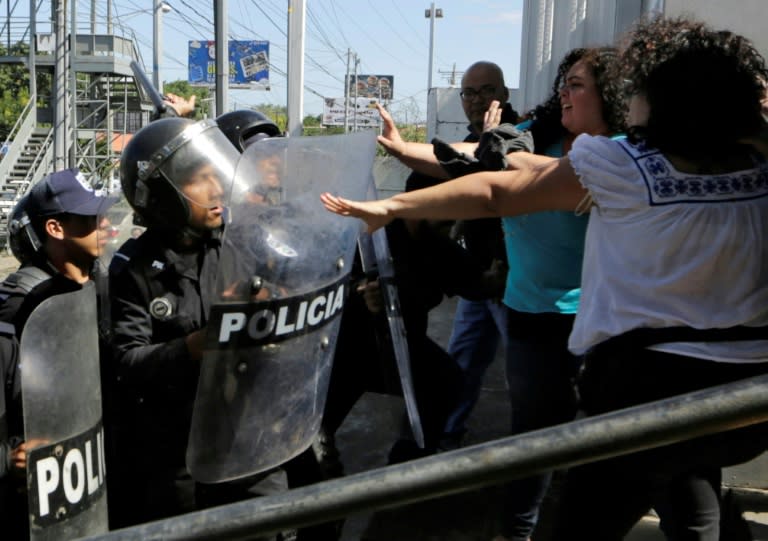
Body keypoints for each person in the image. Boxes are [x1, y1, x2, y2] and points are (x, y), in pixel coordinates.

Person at [322, 15, 768, 540]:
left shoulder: (626, 165)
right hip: (744, 405)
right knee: (692, 502)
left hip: (648, 393)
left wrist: (391, 206)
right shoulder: (756, 165)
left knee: (582, 520)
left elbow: (496, 189)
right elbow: (509, 166)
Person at [107, 117, 289, 535]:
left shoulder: (239, 242)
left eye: (217, 176)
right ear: (164, 195)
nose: (217, 189)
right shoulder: (133, 268)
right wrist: (192, 346)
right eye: (200, 181)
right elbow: (125, 363)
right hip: (176, 451)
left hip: (247, 434)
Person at [0, 169, 114, 539]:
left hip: (96, 476)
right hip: (38, 497)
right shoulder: (20, 306)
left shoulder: (103, 285)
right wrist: (8, 459)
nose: (104, 224)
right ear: (55, 229)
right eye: (89, 217)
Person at [437, 61, 519, 449]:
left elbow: (503, 191)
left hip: (515, 281)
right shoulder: (472, 138)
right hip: (479, 277)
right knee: (462, 363)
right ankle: (448, 436)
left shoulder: (518, 137)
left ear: (504, 95)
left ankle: (535, 452)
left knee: (525, 375)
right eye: (468, 93)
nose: (475, 100)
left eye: (485, 91)